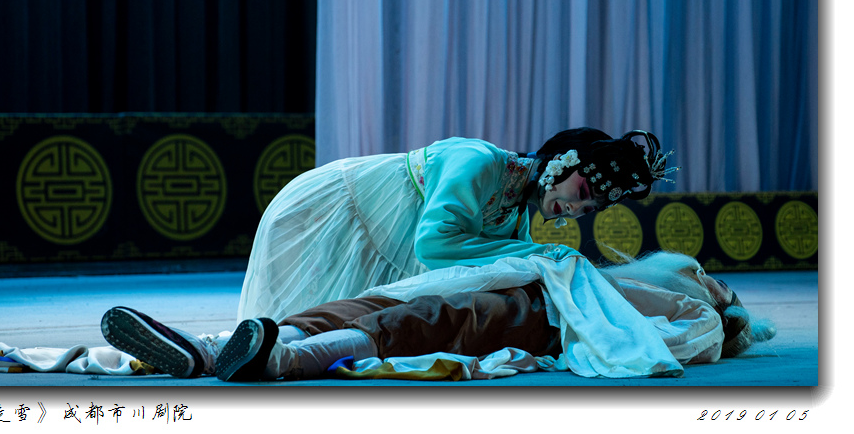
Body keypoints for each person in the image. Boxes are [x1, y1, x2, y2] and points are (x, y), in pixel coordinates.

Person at [99, 250, 775, 381]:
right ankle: (210, 347)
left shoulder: (698, 313)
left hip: (537, 314)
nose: (708, 277)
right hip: (524, 284)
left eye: (721, 284)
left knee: (420, 323)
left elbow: (662, 348)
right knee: (369, 303)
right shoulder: (626, 272)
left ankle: (279, 360)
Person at [238, 127, 679, 322]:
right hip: (332, 212)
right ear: (563, 162)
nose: (577, 210)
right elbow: (433, 245)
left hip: (375, 233)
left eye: (589, 209)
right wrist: (542, 254)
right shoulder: (479, 161)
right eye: (582, 192)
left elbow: (505, 269)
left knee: (328, 331)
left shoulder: (516, 216)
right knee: (292, 318)